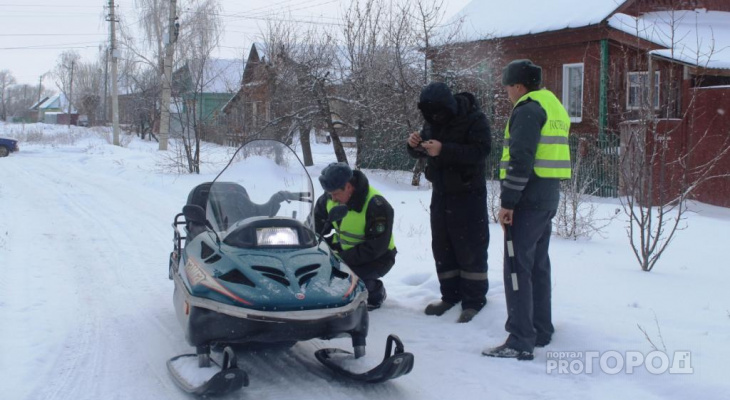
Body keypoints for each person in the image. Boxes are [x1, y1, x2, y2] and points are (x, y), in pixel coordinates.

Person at [482, 59, 571, 360]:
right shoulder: (553, 105)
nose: (506, 92)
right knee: (536, 265)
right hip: (547, 195)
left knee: (517, 267)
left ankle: (520, 339)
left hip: (528, 198)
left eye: (507, 87)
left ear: (518, 86)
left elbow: (521, 158)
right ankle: (540, 329)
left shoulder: (527, 108)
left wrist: (508, 202)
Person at [406, 82, 492, 323]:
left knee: (470, 247)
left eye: (437, 112)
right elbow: (426, 150)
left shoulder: (475, 119)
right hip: (441, 193)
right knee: (443, 246)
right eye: (429, 113)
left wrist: (444, 149)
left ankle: (474, 301)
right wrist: (414, 146)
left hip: (469, 194)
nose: (434, 117)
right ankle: (449, 296)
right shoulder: (432, 122)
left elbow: (481, 151)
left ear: (448, 106)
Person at [314, 162, 397, 310]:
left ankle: (376, 291)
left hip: (379, 256)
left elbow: (376, 246)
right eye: (329, 194)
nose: (332, 199)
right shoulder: (329, 197)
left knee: (350, 282)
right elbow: (315, 227)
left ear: (348, 186)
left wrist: (341, 260)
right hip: (344, 249)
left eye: (335, 194)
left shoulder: (377, 205)